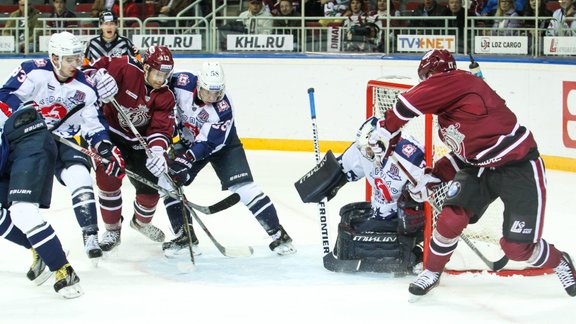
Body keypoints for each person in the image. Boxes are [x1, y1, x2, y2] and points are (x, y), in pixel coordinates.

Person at [371, 49, 576, 297]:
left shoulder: (458, 79)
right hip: (479, 169)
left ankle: (561, 262)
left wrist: (385, 130)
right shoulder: (447, 118)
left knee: (517, 248)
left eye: (428, 78)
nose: (428, 84)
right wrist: (435, 176)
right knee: (450, 219)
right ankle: (432, 271)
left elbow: (404, 106)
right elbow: (465, 155)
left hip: (518, 166)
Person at [0, 31, 124, 266]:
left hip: (64, 138)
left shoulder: (85, 88)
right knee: (21, 205)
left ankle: (90, 235)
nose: (75, 64)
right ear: (54, 58)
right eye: (69, 59)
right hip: (28, 141)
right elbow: (4, 96)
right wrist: (26, 108)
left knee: (80, 176)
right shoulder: (33, 71)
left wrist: (105, 147)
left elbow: (93, 124)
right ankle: (37, 245)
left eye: (78, 58)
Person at [162, 62, 296, 257]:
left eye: (216, 94)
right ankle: (185, 238)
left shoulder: (223, 108)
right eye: (207, 92)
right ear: (198, 84)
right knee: (167, 181)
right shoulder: (181, 81)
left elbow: (207, 144)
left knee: (244, 187)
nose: (211, 98)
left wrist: (186, 160)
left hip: (223, 146)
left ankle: (279, 236)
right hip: (189, 140)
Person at [295, 117, 427, 273]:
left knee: (352, 236)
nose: (366, 153)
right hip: (379, 213)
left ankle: (414, 254)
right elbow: (341, 169)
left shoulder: (410, 157)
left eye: (369, 150)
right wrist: (320, 185)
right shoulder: (363, 150)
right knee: (347, 215)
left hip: (402, 219)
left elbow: (433, 191)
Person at [86, 45, 176, 253]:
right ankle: (112, 230)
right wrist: (98, 77)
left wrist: (157, 151)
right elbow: (88, 70)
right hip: (110, 136)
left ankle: (140, 223)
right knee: (107, 178)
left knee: (151, 190)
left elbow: (161, 128)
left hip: (139, 144)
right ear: (145, 68)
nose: (161, 79)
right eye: (157, 74)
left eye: (165, 75)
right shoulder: (124, 66)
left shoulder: (166, 95)